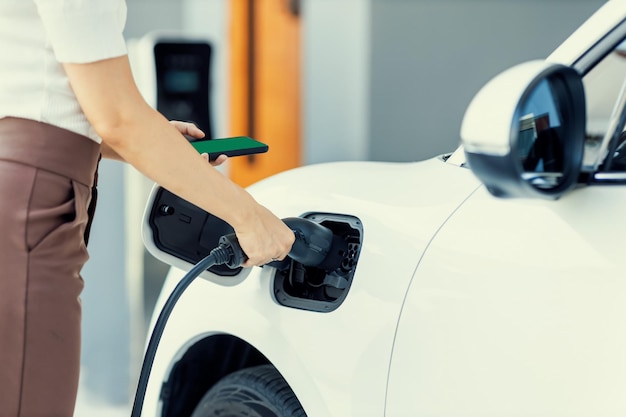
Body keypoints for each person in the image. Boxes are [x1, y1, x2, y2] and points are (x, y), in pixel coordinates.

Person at [0, 1, 295, 416]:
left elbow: (52, 109)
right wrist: (249, 216)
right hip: (30, 202)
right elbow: (118, 118)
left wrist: (158, 140)